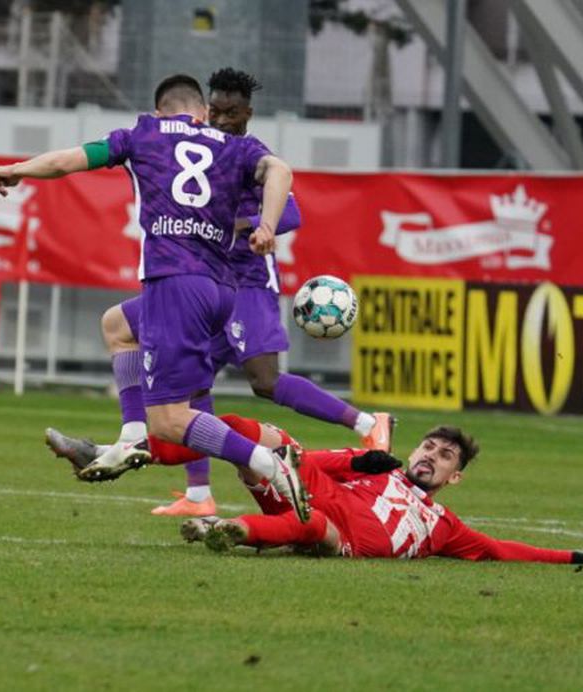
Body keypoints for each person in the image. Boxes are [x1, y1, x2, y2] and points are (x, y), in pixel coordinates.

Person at [0, 74, 310, 522]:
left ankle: (266, 463)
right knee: (117, 327)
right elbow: (281, 171)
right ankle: (134, 438)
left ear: (162, 111)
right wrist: (268, 226)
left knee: (172, 421)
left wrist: (19, 169)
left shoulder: (145, 132)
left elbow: (71, 160)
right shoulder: (234, 145)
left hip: (173, 283)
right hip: (220, 291)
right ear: (202, 111)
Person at [96, 67, 393, 518]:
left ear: (247, 114)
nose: (221, 118)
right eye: (215, 109)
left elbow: (291, 212)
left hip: (246, 284)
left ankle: (367, 423)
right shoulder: (203, 148)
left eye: (231, 112)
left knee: (265, 381)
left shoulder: (250, 156)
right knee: (180, 378)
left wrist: (246, 226)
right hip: (202, 285)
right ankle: (198, 495)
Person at [46, 419, 583, 566]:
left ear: (455, 479)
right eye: (428, 447)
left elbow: (502, 550)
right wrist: (350, 458)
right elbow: (305, 463)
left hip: (336, 532)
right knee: (247, 431)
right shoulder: (378, 470)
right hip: (311, 491)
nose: (429, 457)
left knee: (312, 528)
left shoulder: (446, 529)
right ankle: (117, 453)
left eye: (444, 457)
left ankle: (226, 530)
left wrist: (577, 556)